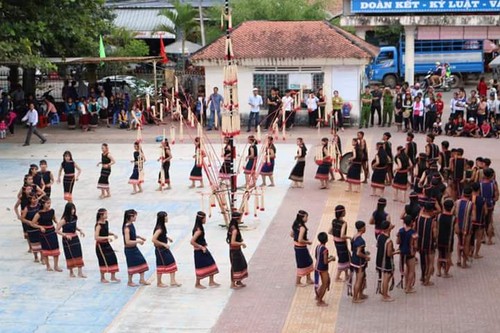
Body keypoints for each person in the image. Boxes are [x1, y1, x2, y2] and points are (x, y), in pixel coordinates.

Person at [31, 196, 62, 272]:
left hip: (52, 231)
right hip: (44, 233)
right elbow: (32, 223)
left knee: (56, 249)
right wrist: (40, 227)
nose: (49, 205)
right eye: (47, 203)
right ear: (43, 203)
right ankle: (48, 266)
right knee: (45, 250)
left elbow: (54, 219)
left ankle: (56, 266)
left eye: (50, 203)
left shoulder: (52, 211)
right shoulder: (39, 213)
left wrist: (58, 224)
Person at [190, 211, 220, 289]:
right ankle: (197, 283)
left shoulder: (199, 227)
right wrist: (201, 247)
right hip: (199, 251)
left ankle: (211, 281)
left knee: (211, 263)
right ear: (201, 219)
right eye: (204, 218)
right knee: (200, 266)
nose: (205, 220)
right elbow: (192, 241)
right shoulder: (198, 230)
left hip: (203, 249)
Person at [57, 202, 86, 278]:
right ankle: (71, 271)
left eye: (74, 209)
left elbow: (74, 226)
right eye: (71, 209)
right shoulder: (64, 220)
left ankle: (80, 272)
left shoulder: (74, 217)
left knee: (78, 253)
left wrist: (80, 230)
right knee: (69, 254)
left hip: (75, 237)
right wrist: (65, 235)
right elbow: (57, 230)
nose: (73, 211)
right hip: (67, 239)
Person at [152, 211, 180, 288]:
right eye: (166, 217)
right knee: (161, 264)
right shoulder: (159, 229)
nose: (167, 218)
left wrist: (167, 238)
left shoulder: (162, 226)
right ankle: (159, 282)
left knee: (171, 262)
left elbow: (161, 236)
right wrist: (164, 244)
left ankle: (172, 281)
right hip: (160, 250)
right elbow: (153, 239)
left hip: (163, 249)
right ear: (162, 218)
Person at [122, 209, 150, 287]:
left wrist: (139, 237)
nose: (135, 218)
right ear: (130, 217)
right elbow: (127, 241)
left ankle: (142, 279)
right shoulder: (126, 228)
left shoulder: (131, 225)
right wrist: (138, 241)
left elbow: (133, 235)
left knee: (141, 261)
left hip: (134, 248)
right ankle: (129, 281)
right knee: (131, 264)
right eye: (134, 216)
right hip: (129, 250)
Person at [94, 208, 120, 283]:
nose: (107, 215)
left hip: (106, 244)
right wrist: (107, 237)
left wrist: (112, 234)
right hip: (100, 246)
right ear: (101, 215)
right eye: (105, 214)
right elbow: (96, 237)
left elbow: (105, 231)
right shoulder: (98, 225)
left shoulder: (106, 222)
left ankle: (113, 276)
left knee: (113, 258)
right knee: (102, 260)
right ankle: (102, 277)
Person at [415, 202, 437, 285]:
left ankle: (422, 276)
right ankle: (427, 281)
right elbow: (434, 235)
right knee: (430, 262)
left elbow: (415, 229)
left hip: (420, 243)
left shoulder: (418, 218)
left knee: (423, 261)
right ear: (431, 210)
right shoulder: (432, 222)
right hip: (429, 244)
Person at [291, 210, 314, 286]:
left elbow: (291, 234)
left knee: (308, 261)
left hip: (297, 246)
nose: (307, 219)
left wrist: (297, 237)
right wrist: (307, 242)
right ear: (302, 217)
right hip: (301, 248)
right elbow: (300, 240)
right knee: (302, 264)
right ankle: (298, 282)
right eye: (306, 217)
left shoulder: (295, 224)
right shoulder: (302, 228)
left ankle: (308, 279)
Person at [376, 221, 397, 302]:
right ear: (388, 228)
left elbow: (378, 246)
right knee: (386, 277)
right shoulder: (389, 241)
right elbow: (389, 254)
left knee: (385, 277)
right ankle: (385, 295)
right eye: (390, 225)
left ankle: (384, 293)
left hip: (379, 260)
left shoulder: (379, 236)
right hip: (386, 261)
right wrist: (396, 252)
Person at [349, 221, 370, 303]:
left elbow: (353, 249)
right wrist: (366, 256)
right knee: (359, 279)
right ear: (361, 228)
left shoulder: (354, 237)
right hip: (359, 262)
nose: (365, 228)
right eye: (364, 227)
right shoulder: (361, 241)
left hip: (354, 260)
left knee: (361, 279)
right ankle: (355, 298)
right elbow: (358, 252)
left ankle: (360, 294)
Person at [396, 215, 417, 293]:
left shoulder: (400, 231)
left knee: (405, 269)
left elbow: (397, 242)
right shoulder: (413, 233)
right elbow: (415, 245)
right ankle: (408, 288)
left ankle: (405, 284)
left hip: (402, 252)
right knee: (411, 270)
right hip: (410, 253)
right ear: (412, 222)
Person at [227, 212, 248, 289]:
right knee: (235, 266)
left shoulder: (232, 227)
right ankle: (232, 283)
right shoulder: (234, 230)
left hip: (236, 250)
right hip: (234, 251)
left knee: (241, 264)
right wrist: (241, 243)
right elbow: (232, 242)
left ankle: (239, 280)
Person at [330, 205, 351, 282]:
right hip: (342, 243)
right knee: (343, 258)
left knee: (345, 256)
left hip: (336, 242)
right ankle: (337, 277)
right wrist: (349, 237)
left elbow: (329, 231)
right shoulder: (343, 223)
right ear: (342, 213)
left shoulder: (334, 221)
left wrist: (335, 233)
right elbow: (342, 235)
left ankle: (346, 274)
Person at [314, 232, 335, 307]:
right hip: (323, 268)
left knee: (325, 282)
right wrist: (331, 259)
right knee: (325, 284)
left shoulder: (318, 246)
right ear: (326, 240)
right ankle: (319, 301)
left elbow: (316, 256)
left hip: (317, 266)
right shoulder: (325, 249)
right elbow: (325, 261)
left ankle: (317, 296)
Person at [436, 199, 455, 278]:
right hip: (449, 240)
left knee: (440, 255)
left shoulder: (439, 216)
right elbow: (456, 229)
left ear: (443, 206)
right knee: (448, 256)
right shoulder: (453, 218)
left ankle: (438, 271)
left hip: (439, 239)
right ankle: (446, 273)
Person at [21, 195, 41, 263]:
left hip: (39, 226)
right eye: (33, 199)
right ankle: (35, 256)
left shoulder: (39, 206)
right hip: (31, 228)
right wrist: (29, 222)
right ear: (30, 200)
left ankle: (42, 257)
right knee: (33, 242)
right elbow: (22, 218)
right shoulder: (27, 208)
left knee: (41, 242)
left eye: (36, 199)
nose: (35, 200)